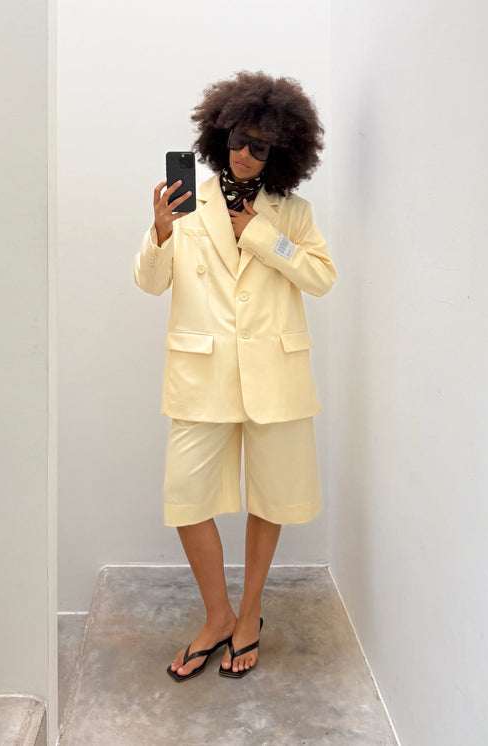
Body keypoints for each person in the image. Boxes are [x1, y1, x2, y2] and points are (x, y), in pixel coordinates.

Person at [134, 71, 335, 681]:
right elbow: (150, 282)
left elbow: (321, 278)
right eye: (237, 140)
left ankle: (248, 615)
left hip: (275, 373)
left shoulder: (292, 212)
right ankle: (216, 615)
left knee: (270, 496)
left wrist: (263, 236)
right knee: (186, 498)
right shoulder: (187, 204)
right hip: (203, 374)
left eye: (260, 146)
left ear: (281, 152)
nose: (245, 154)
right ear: (219, 136)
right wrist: (160, 231)